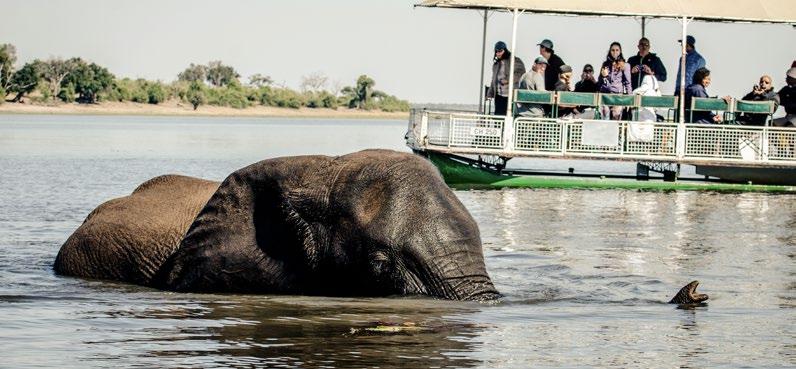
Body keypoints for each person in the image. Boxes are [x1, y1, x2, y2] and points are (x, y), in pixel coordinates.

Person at [488, 41, 526, 116]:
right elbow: (493, 80)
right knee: (498, 118)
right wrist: (490, 93)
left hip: (510, 96)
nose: (498, 53)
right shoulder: (496, 64)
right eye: (496, 51)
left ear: (505, 50)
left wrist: (508, 80)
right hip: (499, 96)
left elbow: (521, 73)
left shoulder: (514, 60)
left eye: (500, 51)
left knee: (509, 116)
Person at [597, 42, 632, 120]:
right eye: (613, 50)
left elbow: (628, 83)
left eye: (617, 50)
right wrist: (604, 76)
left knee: (616, 115)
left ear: (620, 51)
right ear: (610, 51)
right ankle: (606, 131)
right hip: (606, 94)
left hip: (618, 95)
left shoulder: (625, 65)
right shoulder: (605, 64)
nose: (615, 52)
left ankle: (615, 131)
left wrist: (630, 100)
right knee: (605, 113)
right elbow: (600, 81)